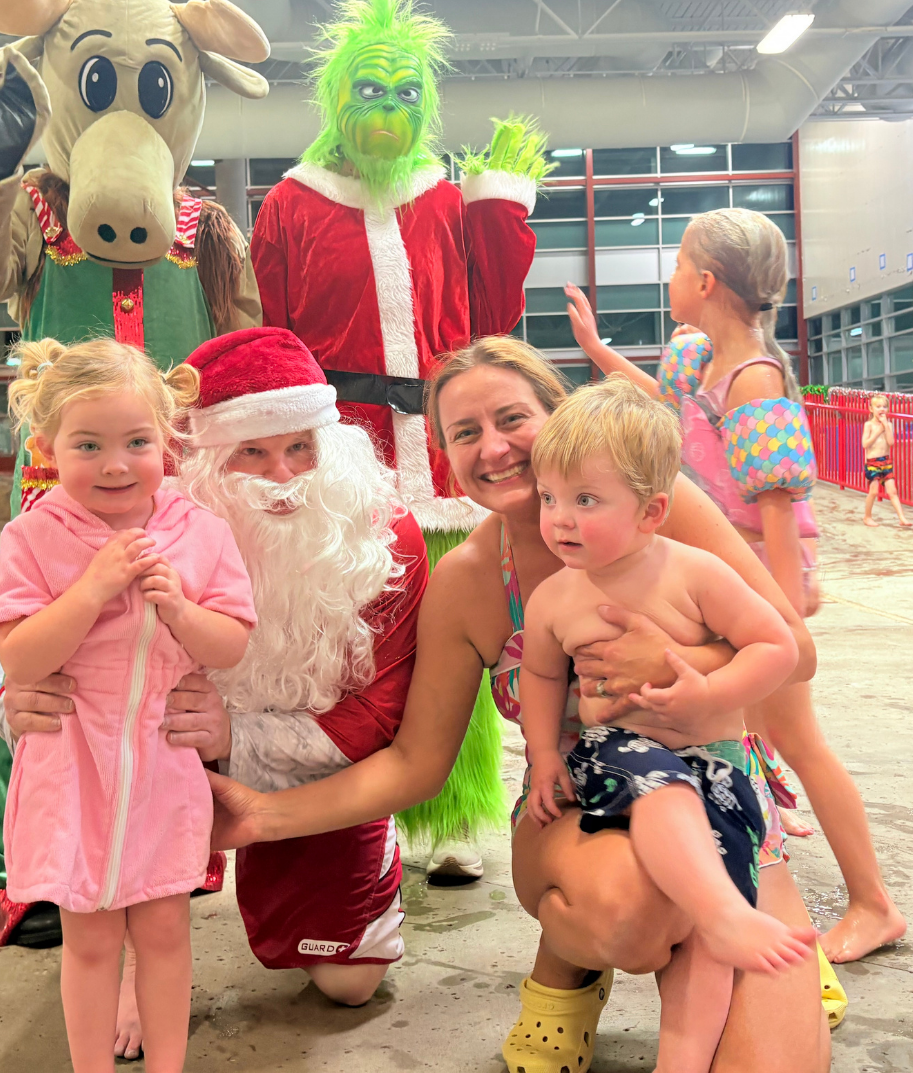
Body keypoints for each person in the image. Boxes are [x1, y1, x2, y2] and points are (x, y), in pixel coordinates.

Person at [209, 336, 830, 1073]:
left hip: (724, 795)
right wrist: (262, 816)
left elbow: (795, 651)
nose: (494, 447)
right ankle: (571, 965)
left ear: (558, 417)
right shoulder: (470, 579)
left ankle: (728, 945)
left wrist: (678, 664)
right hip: (577, 806)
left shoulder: (657, 506)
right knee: (626, 911)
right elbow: (414, 763)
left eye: (512, 419)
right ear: (446, 456)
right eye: (465, 432)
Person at [2, 328, 429, 1058]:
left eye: (301, 447)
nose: (282, 475)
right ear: (201, 457)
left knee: (350, 980)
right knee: (112, 914)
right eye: (251, 451)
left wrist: (234, 737)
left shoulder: (383, 539)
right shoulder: (131, 507)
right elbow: (38, 651)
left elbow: (380, 716)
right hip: (143, 747)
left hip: (308, 765)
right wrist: (17, 703)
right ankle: (135, 955)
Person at [251, 0, 551, 882]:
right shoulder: (291, 204)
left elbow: (490, 321)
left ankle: (457, 812)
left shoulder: (443, 199)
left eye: (406, 90)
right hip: (340, 455)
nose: (388, 106)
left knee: (460, 625)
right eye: (370, 88)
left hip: (440, 453)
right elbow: (274, 338)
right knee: (351, 640)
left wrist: (498, 211)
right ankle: (357, 815)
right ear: (337, 97)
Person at [566, 207, 904, 969]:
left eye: (679, 265)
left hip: (753, 575)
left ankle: (874, 903)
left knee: (799, 740)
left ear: (707, 281)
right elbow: (660, 412)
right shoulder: (702, 359)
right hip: (718, 575)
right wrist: (596, 351)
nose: (672, 277)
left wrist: (781, 624)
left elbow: (777, 510)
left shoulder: (753, 380)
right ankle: (753, 864)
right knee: (745, 732)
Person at [521, 377, 813, 1072]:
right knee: (664, 790)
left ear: (651, 510)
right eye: (549, 497)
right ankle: (725, 913)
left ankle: (682, 1056)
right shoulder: (555, 597)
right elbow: (541, 676)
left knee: (713, 938)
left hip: (716, 764)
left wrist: (707, 691)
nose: (559, 519)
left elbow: (777, 646)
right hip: (613, 758)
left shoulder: (695, 573)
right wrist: (542, 756)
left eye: (585, 500)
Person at [0, 336, 255, 1073]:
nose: (115, 464)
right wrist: (93, 588)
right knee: (91, 939)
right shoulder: (32, 537)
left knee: (165, 931)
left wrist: (182, 611)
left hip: (162, 767)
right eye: (88, 445)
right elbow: (20, 657)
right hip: (71, 769)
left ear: (167, 441)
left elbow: (231, 643)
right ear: (47, 449)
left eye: (137, 442)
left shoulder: (201, 534)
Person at [862, 394, 912, 528]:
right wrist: (878, 431)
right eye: (878, 407)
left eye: (884, 407)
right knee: (873, 491)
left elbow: (891, 442)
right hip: (873, 462)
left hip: (886, 461)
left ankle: (902, 517)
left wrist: (885, 426)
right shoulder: (869, 425)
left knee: (892, 491)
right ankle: (867, 516)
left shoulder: (889, 424)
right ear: (871, 409)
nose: (882, 409)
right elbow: (865, 444)